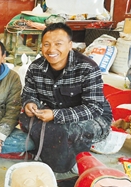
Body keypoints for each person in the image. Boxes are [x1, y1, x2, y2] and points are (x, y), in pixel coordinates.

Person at [21, 22, 112, 173]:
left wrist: (56, 115)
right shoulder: (36, 67)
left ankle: (73, 160)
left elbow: (94, 108)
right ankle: (54, 146)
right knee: (25, 119)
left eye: (58, 44)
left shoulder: (87, 68)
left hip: (93, 118)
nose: (51, 50)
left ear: (70, 45)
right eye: (46, 44)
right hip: (53, 112)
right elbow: (29, 93)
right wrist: (30, 103)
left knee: (65, 130)